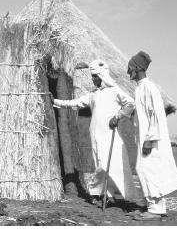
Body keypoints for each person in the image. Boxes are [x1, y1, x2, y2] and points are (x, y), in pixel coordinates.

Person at [52, 59, 139, 207]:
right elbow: (75, 103)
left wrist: (117, 116)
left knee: (109, 165)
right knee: (100, 164)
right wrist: (56, 102)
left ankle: (109, 194)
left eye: (95, 77)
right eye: (92, 77)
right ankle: (101, 195)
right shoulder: (93, 95)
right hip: (95, 135)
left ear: (102, 76)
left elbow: (130, 103)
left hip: (110, 134)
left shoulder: (115, 91)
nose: (93, 79)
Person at [127, 51, 177, 221]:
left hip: (150, 138)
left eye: (129, 68)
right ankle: (149, 203)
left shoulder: (149, 88)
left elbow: (156, 116)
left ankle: (156, 209)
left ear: (136, 68)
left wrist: (150, 139)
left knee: (149, 170)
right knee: (142, 169)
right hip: (144, 137)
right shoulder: (140, 88)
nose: (128, 72)